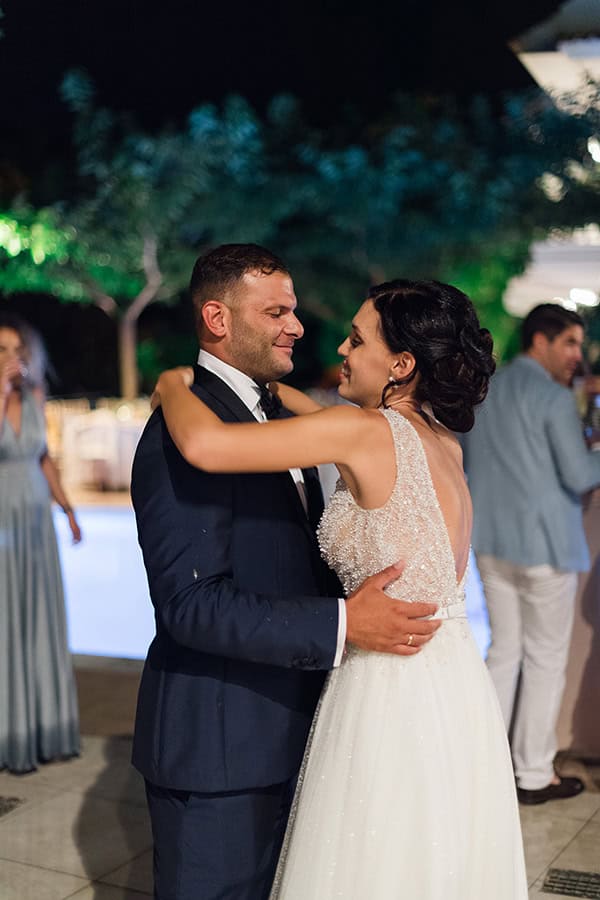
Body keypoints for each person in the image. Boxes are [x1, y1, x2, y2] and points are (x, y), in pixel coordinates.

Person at [153, 276, 527, 899]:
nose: (343, 352)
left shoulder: (365, 435)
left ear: (401, 364)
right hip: (453, 680)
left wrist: (172, 385)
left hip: (388, 683)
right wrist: (273, 390)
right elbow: (332, 417)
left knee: (369, 860)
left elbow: (206, 443)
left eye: (357, 339)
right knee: (431, 858)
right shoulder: (441, 442)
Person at [130, 244, 441, 900]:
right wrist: (343, 620)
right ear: (216, 317)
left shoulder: (283, 416)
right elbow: (191, 606)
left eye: (294, 310)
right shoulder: (181, 430)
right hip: (223, 750)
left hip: (301, 734)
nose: (297, 326)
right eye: (276, 311)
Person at [462, 303, 600, 805]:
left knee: (503, 653)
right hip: (544, 547)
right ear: (539, 341)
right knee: (543, 661)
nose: (576, 355)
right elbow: (581, 476)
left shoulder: (483, 392)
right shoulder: (553, 397)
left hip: (493, 542)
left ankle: (484, 768)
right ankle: (534, 774)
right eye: (569, 342)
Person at [0, 312, 81, 774]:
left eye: (18, 350)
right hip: (1, 519)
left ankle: (43, 727)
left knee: (37, 618)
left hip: (35, 520)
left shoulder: (35, 395)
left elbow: (44, 458)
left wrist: (68, 509)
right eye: (2, 350)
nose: (12, 358)